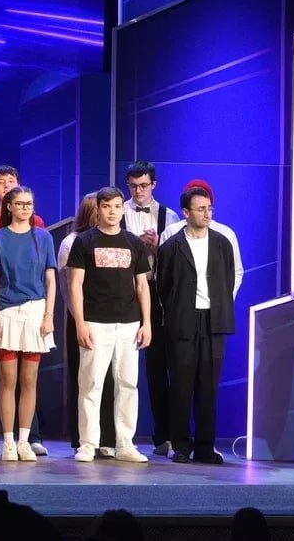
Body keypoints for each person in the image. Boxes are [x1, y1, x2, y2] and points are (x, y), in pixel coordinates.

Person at [68, 186, 152, 464]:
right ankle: (87, 444)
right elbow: (75, 285)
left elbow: (142, 286)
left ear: (122, 209)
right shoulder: (84, 241)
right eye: (107, 206)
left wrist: (147, 323)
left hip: (129, 323)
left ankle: (125, 443)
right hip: (95, 322)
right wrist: (80, 323)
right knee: (91, 384)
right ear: (99, 209)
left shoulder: (134, 243)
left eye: (117, 206)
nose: (112, 212)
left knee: (128, 383)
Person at [158, 185, 238, 464]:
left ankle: (205, 446)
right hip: (182, 321)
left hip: (214, 321)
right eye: (201, 209)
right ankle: (181, 445)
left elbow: (230, 278)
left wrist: (220, 306)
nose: (207, 213)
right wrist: (176, 310)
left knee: (208, 387)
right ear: (186, 212)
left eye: (209, 208)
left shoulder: (222, 243)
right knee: (181, 385)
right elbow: (163, 286)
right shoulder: (171, 247)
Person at [0, 165, 48, 454]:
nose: (24, 208)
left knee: (29, 380)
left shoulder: (41, 234)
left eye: (28, 204)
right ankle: (4, 440)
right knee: (5, 379)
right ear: (7, 204)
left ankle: (26, 439)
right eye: (19, 204)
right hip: (3, 310)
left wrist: (48, 315)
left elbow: (50, 277)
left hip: (34, 311)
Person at [121, 161, 181, 457]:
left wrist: (158, 248)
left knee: (158, 368)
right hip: (121, 294)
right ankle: (115, 437)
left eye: (143, 185)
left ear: (154, 184)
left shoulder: (169, 216)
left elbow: (178, 264)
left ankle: (164, 436)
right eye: (133, 186)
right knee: (118, 367)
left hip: (155, 293)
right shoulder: (118, 212)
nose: (138, 191)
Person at [60, 193, 116, 457]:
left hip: (110, 320)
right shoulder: (72, 242)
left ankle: (107, 438)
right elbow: (67, 287)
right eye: (100, 209)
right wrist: (80, 320)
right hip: (82, 320)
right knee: (84, 380)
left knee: (109, 380)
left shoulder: (116, 240)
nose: (107, 214)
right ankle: (82, 438)